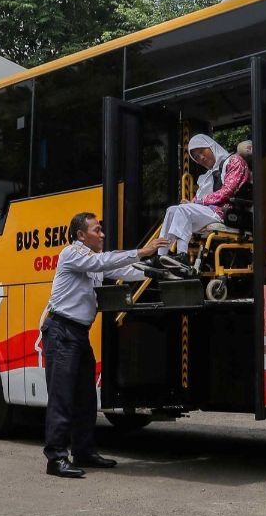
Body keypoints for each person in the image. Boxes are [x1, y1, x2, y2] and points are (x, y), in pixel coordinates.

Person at [42, 212, 169, 478]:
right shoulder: (72, 254)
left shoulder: (92, 262)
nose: (102, 234)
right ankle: (55, 459)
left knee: (87, 398)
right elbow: (103, 262)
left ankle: (84, 452)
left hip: (77, 334)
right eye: (97, 230)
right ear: (80, 235)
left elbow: (123, 270)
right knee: (62, 396)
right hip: (61, 331)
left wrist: (157, 270)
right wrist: (142, 250)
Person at [146, 136, 252, 275]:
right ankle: (161, 256)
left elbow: (227, 192)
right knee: (172, 210)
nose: (201, 158)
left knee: (183, 210)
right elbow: (198, 199)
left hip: (228, 212)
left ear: (211, 146)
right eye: (196, 157)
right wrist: (192, 202)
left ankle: (181, 256)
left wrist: (196, 203)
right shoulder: (208, 175)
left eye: (202, 151)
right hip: (211, 212)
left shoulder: (234, 161)